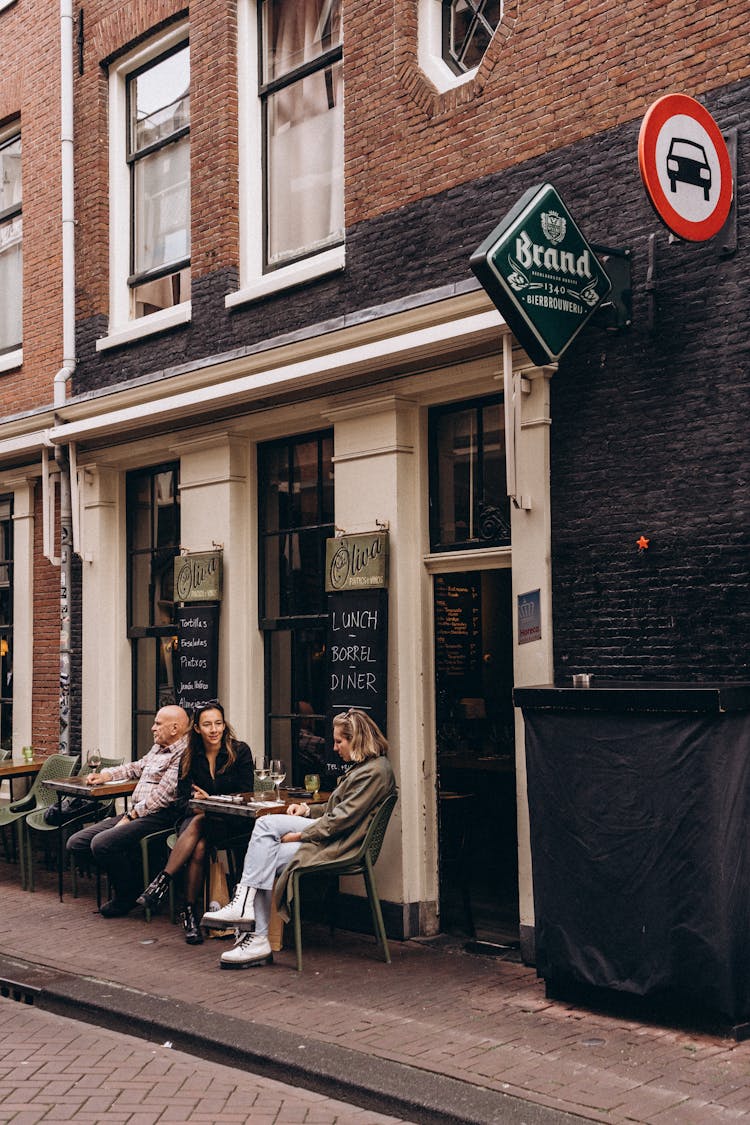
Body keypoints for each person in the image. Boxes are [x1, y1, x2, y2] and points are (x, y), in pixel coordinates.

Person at [201, 708, 396, 969]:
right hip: (334, 837)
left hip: (342, 846)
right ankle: (253, 928)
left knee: (266, 830)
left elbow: (340, 820)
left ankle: (252, 927)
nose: (335, 748)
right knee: (265, 840)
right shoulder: (367, 768)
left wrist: (300, 834)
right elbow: (335, 811)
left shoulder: (374, 773)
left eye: (340, 741)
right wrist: (306, 810)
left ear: (357, 739)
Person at [137, 700, 254, 943]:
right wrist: (196, 803)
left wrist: (210, 800)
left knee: (201, 821)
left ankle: (164, 882)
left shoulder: (240, 751)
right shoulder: (190, 756)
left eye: (218, 724)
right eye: (208, 724)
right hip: (195, 821)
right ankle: (189, 912)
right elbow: (180, 801)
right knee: (199, 842)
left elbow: (246, 794)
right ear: (198, 729)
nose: (214, 730)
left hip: (230, 823)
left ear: (224, 725)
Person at [67, 705, 191, 917]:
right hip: (137, 813)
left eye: (158, 724)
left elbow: (163, 796)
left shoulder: (184, 754)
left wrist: (130, 816)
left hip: (160, 816)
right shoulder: (159, 747)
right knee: (76, 843)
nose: (153, 728)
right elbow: (137, 766)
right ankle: (135, 883)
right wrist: (106, 775)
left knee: (102, 843)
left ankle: (125, 895)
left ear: (175, 728)